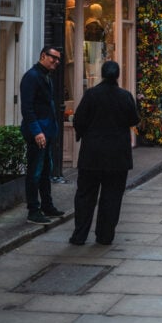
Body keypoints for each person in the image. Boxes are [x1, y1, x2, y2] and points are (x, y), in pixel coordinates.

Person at [69, 59, 139, 246]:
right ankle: (105, 235)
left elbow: (79, 121)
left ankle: (79, 235)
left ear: (101, 73)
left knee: (85, 195)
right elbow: (134, 119)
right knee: (112, 197)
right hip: (117, 156)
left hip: (92, 154)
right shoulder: (125, 96)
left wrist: (85, 134)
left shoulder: (91, 95)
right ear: (118, 75)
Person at [20, 46, 64, 224]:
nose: (56, 62)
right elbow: (27, 108)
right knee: (35, 172)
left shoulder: (45, 76)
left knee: (45, 170)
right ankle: (33, 210)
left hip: (47, 131)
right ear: (43, 56)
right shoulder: (32, 77)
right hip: (38, 132)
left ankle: (47, 205)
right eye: (53, 58)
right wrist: (37, 131)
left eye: (58, 59)